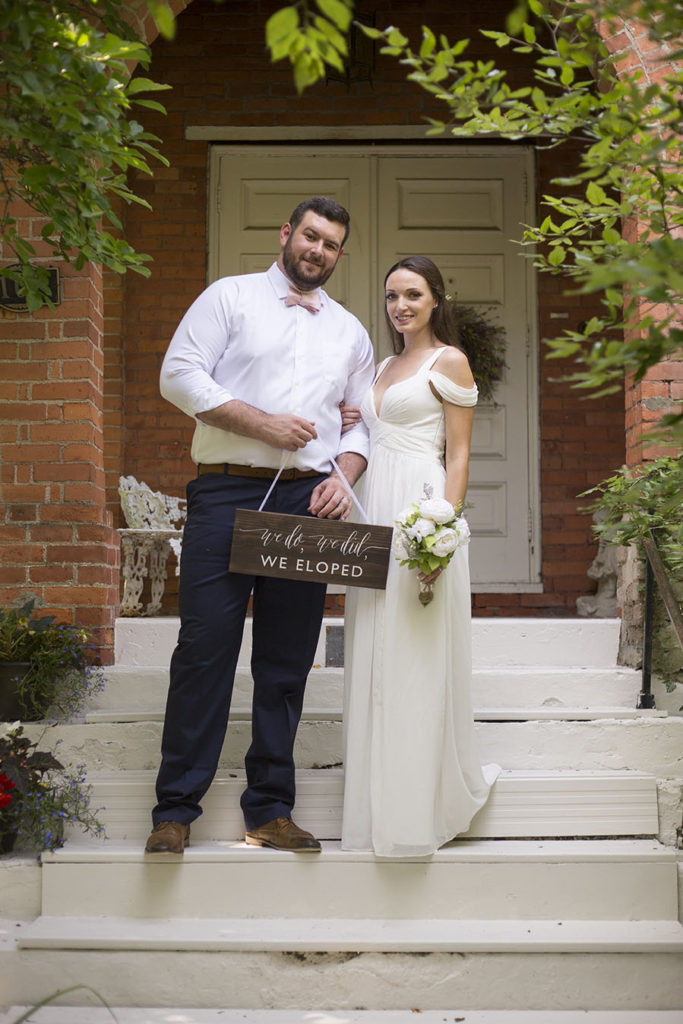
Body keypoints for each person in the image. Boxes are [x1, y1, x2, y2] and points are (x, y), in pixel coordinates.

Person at [145, 196, 375, 855]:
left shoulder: (349, 332)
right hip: (225, 496)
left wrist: (345, 474)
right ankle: (175, 811)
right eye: (309, 236)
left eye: (330, 244)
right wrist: (261, 423)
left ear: (337, 255)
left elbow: (363, 423)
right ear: (286, 234)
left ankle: (270, 811)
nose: (317, 250)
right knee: (203, 652)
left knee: (285, 662)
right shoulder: (229, 298)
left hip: (306, 506)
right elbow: (177, 376)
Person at [341, 256, 500, 858]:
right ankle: (375, 804)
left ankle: (417, 809)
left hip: (419, 511)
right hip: (372, 509)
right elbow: (370, 433)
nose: (400, 306)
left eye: (412, 295)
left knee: (413, 656)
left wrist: (442, 531)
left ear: (436, 300)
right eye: (391, 297)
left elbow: (458, 456)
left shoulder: (448, 360)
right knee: (374, 649)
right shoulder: (383, 365)